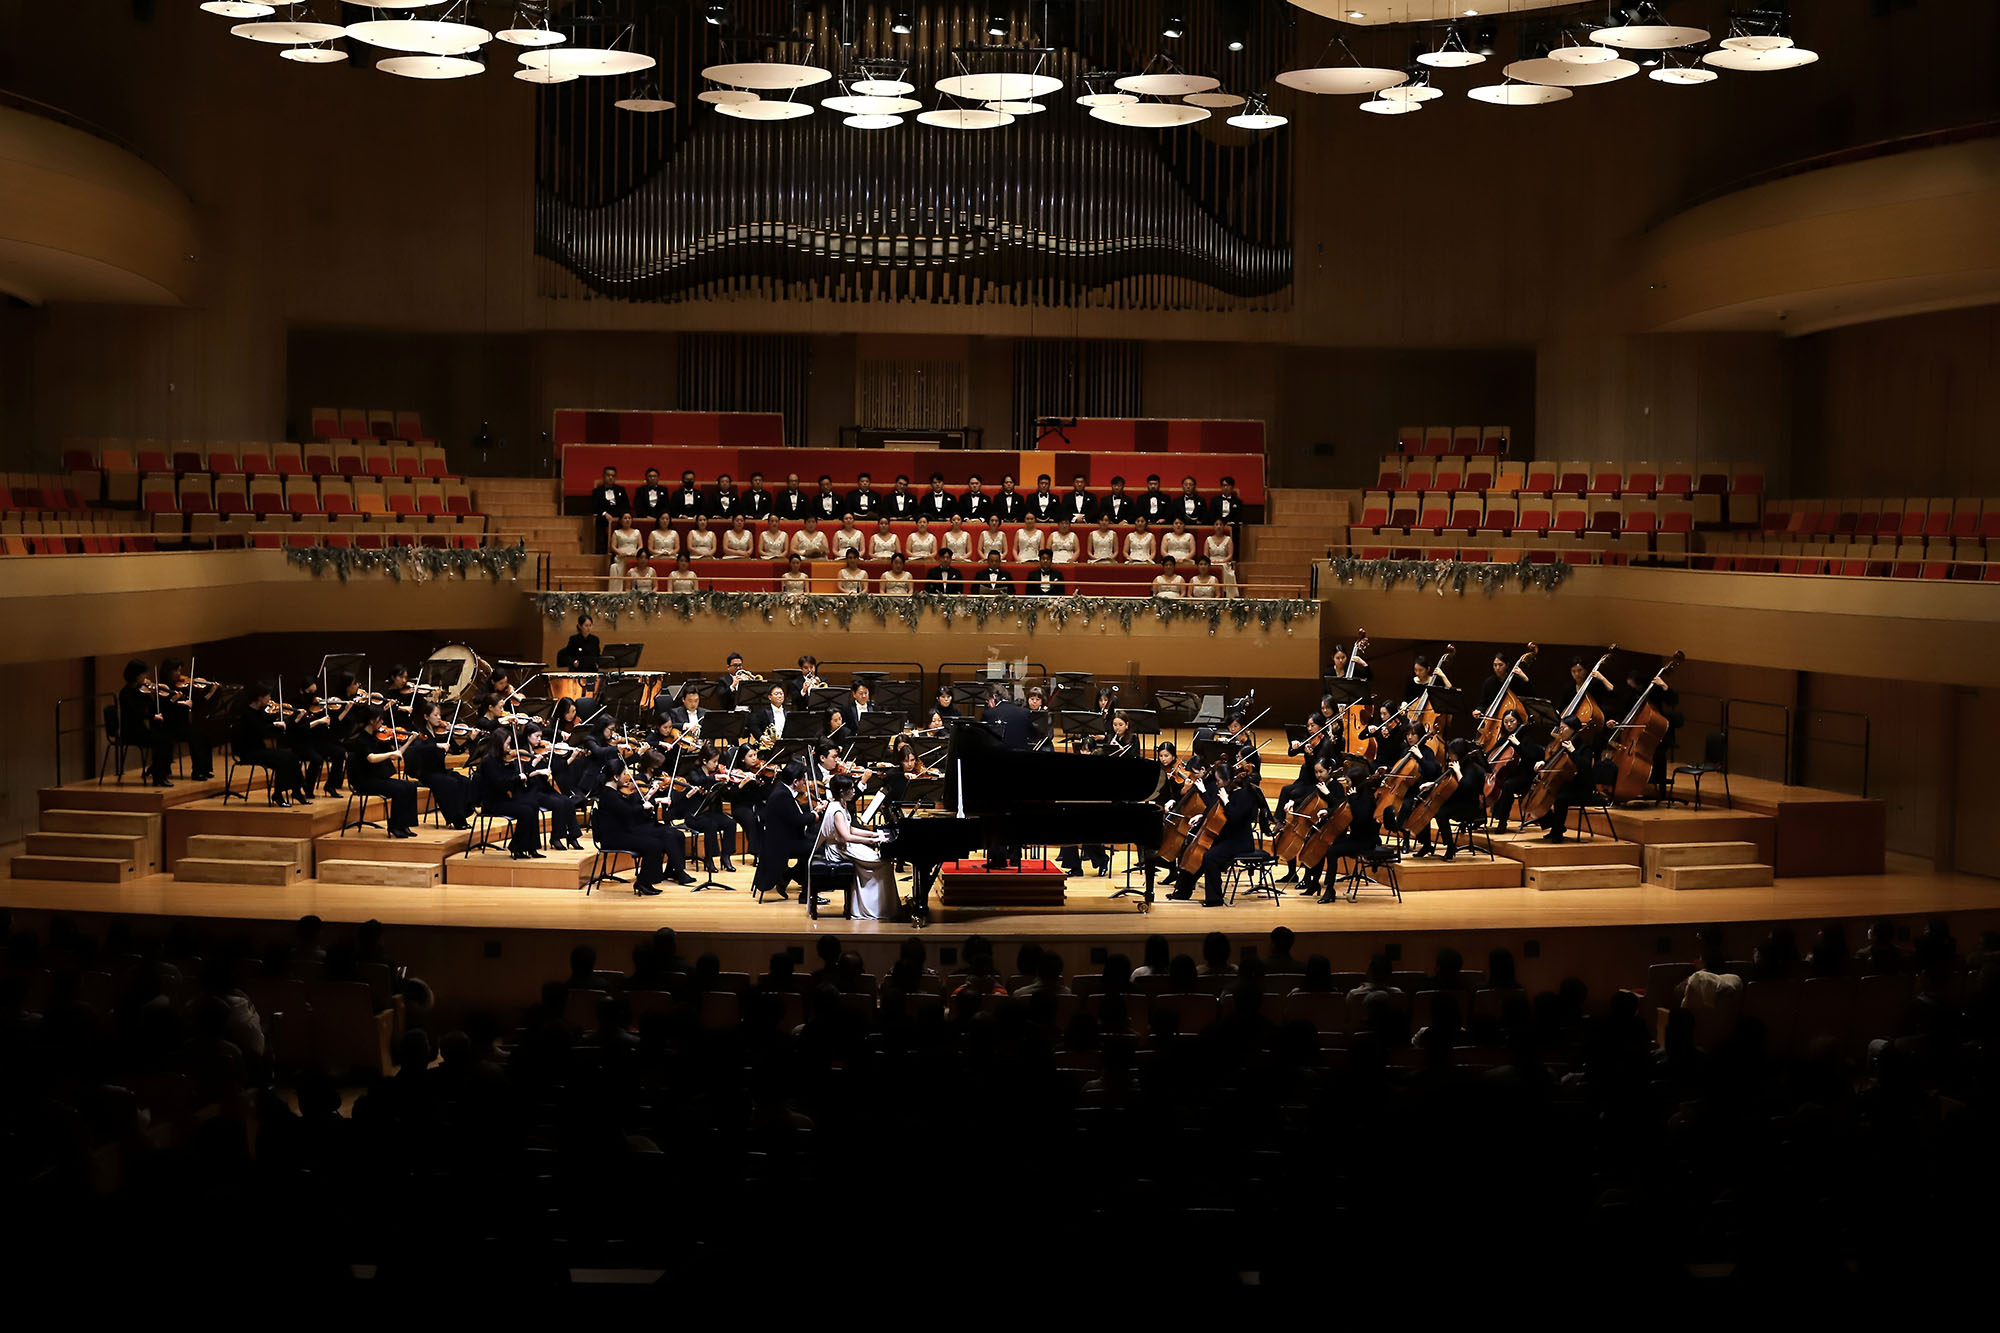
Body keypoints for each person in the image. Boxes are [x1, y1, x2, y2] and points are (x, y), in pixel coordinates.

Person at [1165, 762, 1260, 907]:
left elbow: (1235, 819)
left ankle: (1215, 899)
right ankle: (1183, 892)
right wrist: (1202, 817)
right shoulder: (1226, 792)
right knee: (1197, 851)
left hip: (1239, 842)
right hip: (1226, 839)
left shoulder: (1244, 796)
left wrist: (1226, 801)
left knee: (1210, 856)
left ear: (1228, 780)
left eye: (1219, 781)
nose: (1217, 784)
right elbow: (1214, 812)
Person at [817, 773, 896, 920]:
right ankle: (876, 908)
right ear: (842, 792)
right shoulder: (837, 810)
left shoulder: (841, 804)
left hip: (844, 846)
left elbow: (851, 829)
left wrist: (872, 835)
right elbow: (847, 836)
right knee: (882, 862)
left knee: (881, 859)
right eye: (851, 788)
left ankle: (882, 906)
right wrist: (871, 841)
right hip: (838, 850)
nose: (854, 791)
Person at [343, 704, 419, 837]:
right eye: (380, 719)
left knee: (410, 786)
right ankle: (395, 826)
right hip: (364, 780)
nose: (383, 722)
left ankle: (404, 824)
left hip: (377, 778)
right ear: (372, 721)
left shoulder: (375, 737)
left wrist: (409, 741)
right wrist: (390, 755)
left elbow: (397, 754)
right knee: (399, 789)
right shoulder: (361, 739)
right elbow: (371, 758)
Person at [229, 684, 307, 805]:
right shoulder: (246, 714)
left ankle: (296, 791)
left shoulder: (259, 712)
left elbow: (271, 728)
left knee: (293, 757)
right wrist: (276, 725)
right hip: (249, 752)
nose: (269, 699)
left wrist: (292, 719)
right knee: (284, 760)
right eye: (267, 696)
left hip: (260, 750)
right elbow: (261, 730)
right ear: (259, 697)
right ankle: (278, 794)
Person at [754, 764, 818, 903]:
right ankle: (805, 894)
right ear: (795, 782)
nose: (804, 784)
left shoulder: (782, 790)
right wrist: (814, 816)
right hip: (781, 843)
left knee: (811, 845)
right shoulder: (782, 795)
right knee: (814, 849)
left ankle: (787, 876)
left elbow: (793, 813)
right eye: (802, 781)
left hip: (779, 839)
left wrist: (813, 811)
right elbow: (797, 820)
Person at [407, 699, 475, 829]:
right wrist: (437, 745)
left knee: (465, 781)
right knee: (450, 783)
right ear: (426, 717)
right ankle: (456, 820)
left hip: (440, 771)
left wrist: (469, 739)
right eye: (435, 715)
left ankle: (463, 813)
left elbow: (457, 750)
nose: (439, 718)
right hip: (426, 773)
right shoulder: (421, 734)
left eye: (440, 715)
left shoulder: (441, 734)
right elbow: (418, 748)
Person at [117, 658, 176, 786]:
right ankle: (159, 777)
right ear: (136, 675)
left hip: (142, 729)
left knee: (166, 737)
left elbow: (150, 706)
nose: (146, 677)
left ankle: (159, 771)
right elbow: (136, 713)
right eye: (143, 674)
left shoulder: (141, 691)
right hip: (131, 732)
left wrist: (154, 695)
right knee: (161, 740)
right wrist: (153, 716)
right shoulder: (126, 693)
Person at [590, 466, 628, 554]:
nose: (610, 477)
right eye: (608, 475)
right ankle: (602, 552)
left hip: (619, 517)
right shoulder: (597, 491)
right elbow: (595, 507)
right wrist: (604, 513)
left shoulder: (621, 490)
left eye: (613, 476)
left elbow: (626, 505)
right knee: (600, 520)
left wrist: (621, 516)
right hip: (604, 518)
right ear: (603, 476)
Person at [608, 513, 642, 588]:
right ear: (621, 520)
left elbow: (640, 546)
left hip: (633, 556)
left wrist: (636, 552)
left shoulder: (637, 532)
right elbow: (613, 546)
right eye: (625, 518)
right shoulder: (616, 532)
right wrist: (620, 552)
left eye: (629, 518)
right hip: (621, 557)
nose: (627, 520)